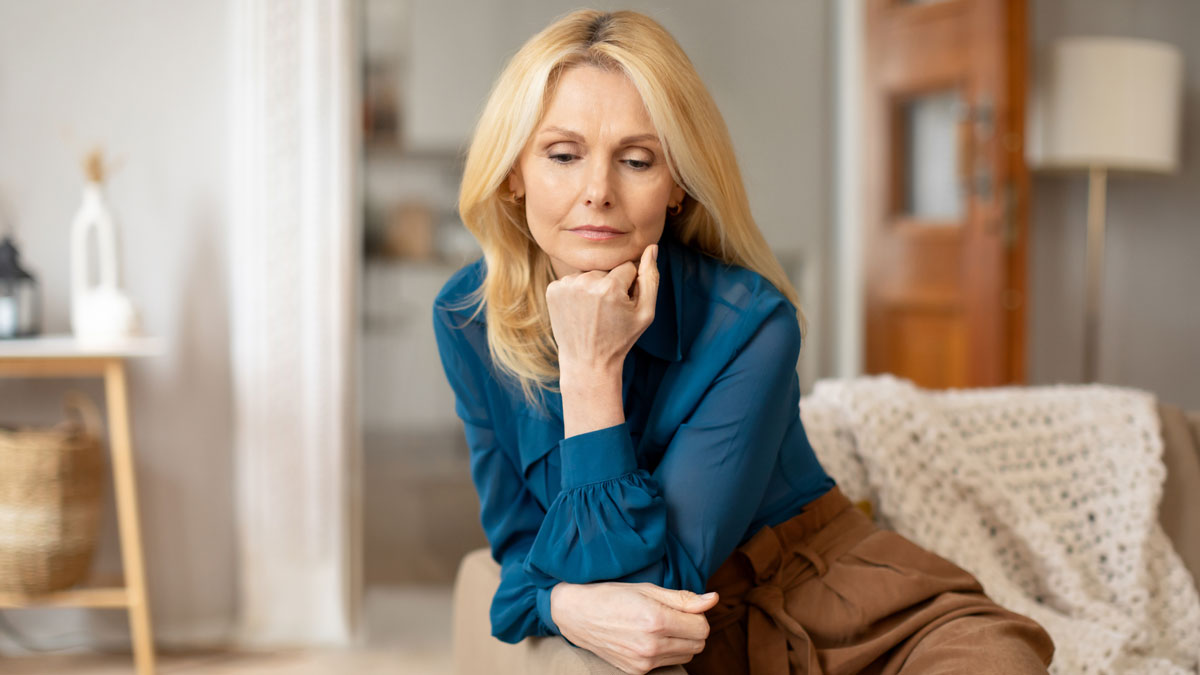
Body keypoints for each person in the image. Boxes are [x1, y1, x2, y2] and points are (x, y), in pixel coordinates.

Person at [432, 9, 1055, 675]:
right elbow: (521, 549)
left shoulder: (752, 322)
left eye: (637, 160)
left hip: (841, 601)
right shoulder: (469, 317)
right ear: (514, 173)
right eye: (563, 155)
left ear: (676, 185)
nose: (598, 193)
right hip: (700, 642)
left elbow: (654, 584)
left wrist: (589, 368)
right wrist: (558, 604)